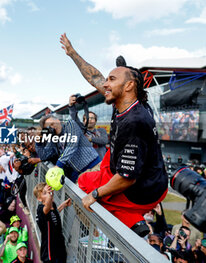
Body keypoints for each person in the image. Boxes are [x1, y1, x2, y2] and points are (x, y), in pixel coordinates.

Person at [60, 33, 168, 236]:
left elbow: (127, 179)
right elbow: (95, 78)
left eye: (111, 79)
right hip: (148, 173)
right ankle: (135, 223)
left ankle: (95, 232)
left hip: (143, 188)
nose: (105, 84)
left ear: (128, 86)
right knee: (90, 176)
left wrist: (93, 195)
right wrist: (73, 53)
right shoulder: (128, 100)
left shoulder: (134, 122)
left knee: (84, 185)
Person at [38, 115, 100, 182]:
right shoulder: (53, 138)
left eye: (52, 123)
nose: (52, 127)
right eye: (48, 127)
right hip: (80, 173)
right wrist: (38, 142)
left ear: (58, 120)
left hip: (93, 166)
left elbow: (72, 145)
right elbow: (43, 156)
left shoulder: (70, 124)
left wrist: (59, 165)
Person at [33, 182, 71, 263]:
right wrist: (49, 196)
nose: (49, 194)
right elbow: (47, 208)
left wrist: (63, 205)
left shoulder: (52, 205)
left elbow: (54, 211)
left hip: (60, 248)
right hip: (50, 252)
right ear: (39, 199)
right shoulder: (41, 209)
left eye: (49, 191)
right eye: (44, 193)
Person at [69, 95, 108, 159]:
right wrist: (71, 106)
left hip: (101, 164)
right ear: (84, 122)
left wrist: (90, 139)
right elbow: (75, 118)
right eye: (87, 118)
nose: (89, 120)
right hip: (88, 165)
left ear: (95, 121)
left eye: (92, 118)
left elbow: (104, 141)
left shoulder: (101, 130)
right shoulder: (82, 132)